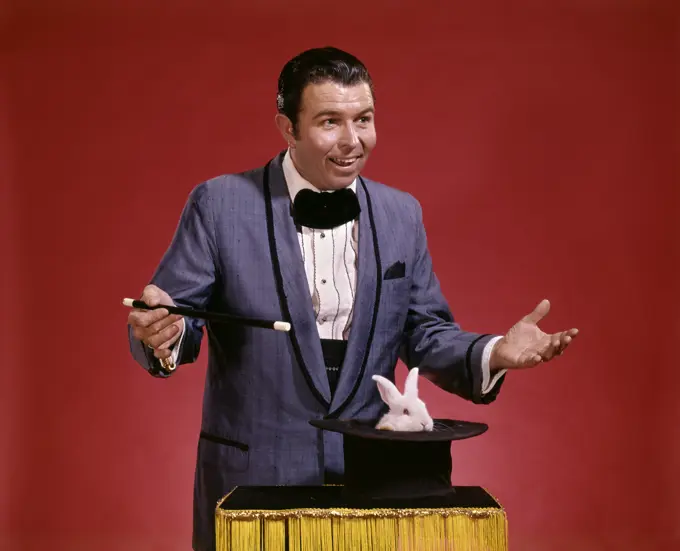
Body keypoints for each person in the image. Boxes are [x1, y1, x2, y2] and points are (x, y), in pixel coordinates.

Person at [127, 46, 578, 551]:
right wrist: (161, 336)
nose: (351, 141)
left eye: (363, 119)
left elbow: (422, 330)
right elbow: (172, 315)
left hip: (375, 487)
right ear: (287, 128)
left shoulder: (401, 213)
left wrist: (495, 352)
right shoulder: (219, 204)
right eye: (329, 121)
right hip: (253, 485)